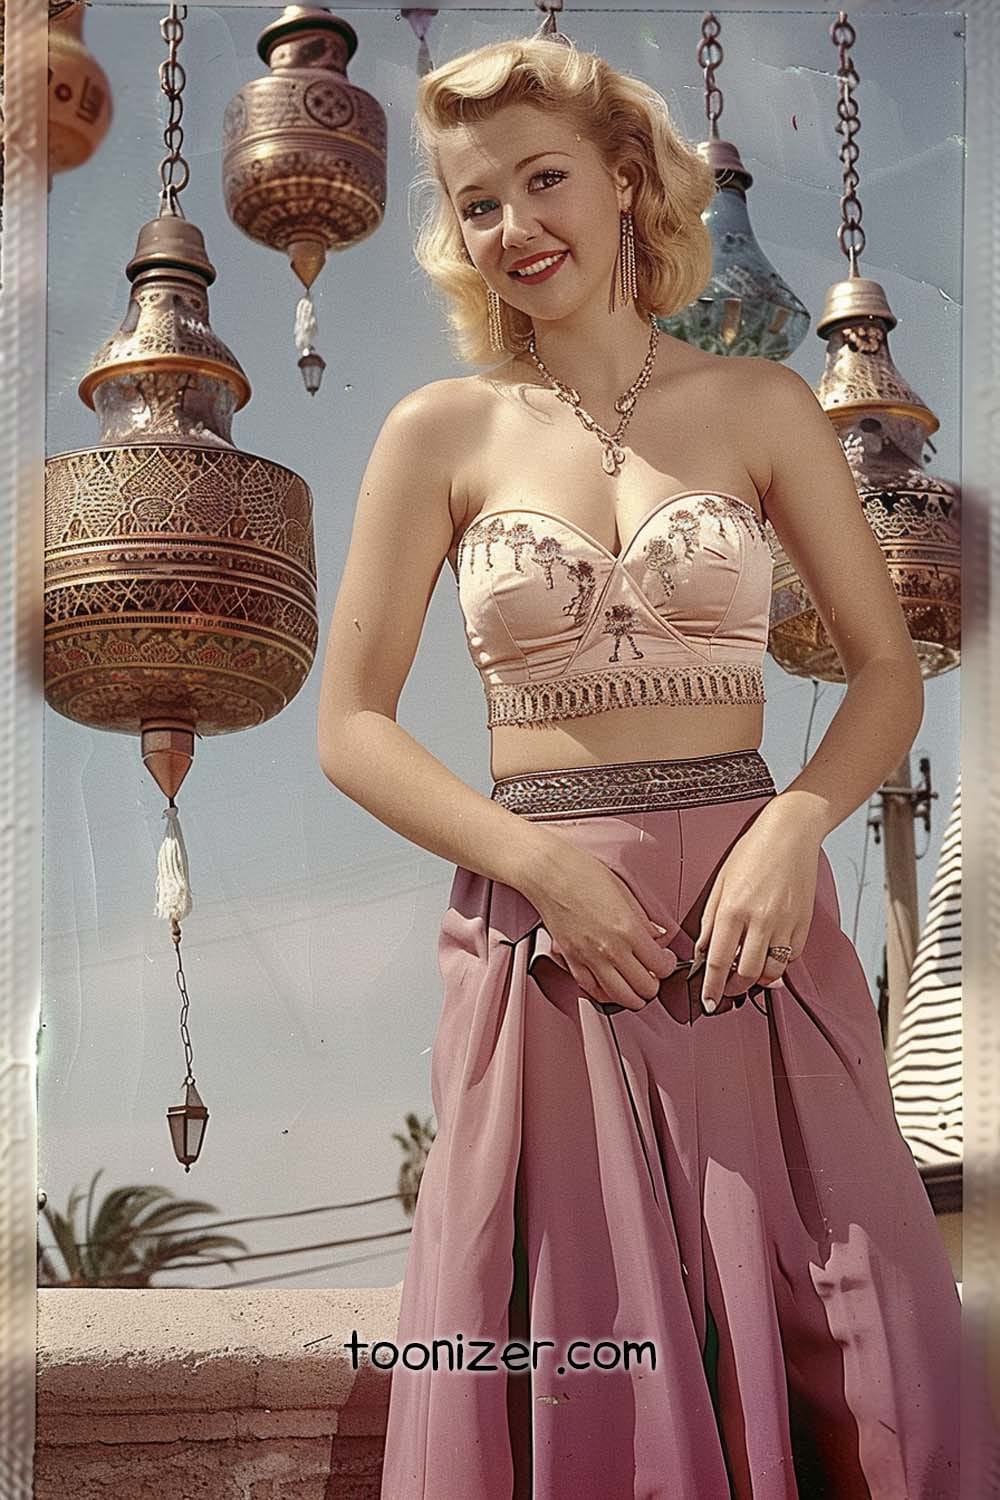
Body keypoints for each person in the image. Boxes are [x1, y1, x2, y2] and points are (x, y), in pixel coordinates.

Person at [316, 35, 961, 1500]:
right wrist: (539, 869)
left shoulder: (760, 407)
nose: (514, 227)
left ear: (624, 183)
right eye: (477, 204)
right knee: (598, 1379)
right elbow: (350, 723)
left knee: (891, 1372)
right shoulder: (443, 433)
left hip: (757, 929)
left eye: (544, 179)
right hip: (553, 945)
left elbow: (883, 672)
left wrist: (797, 824)